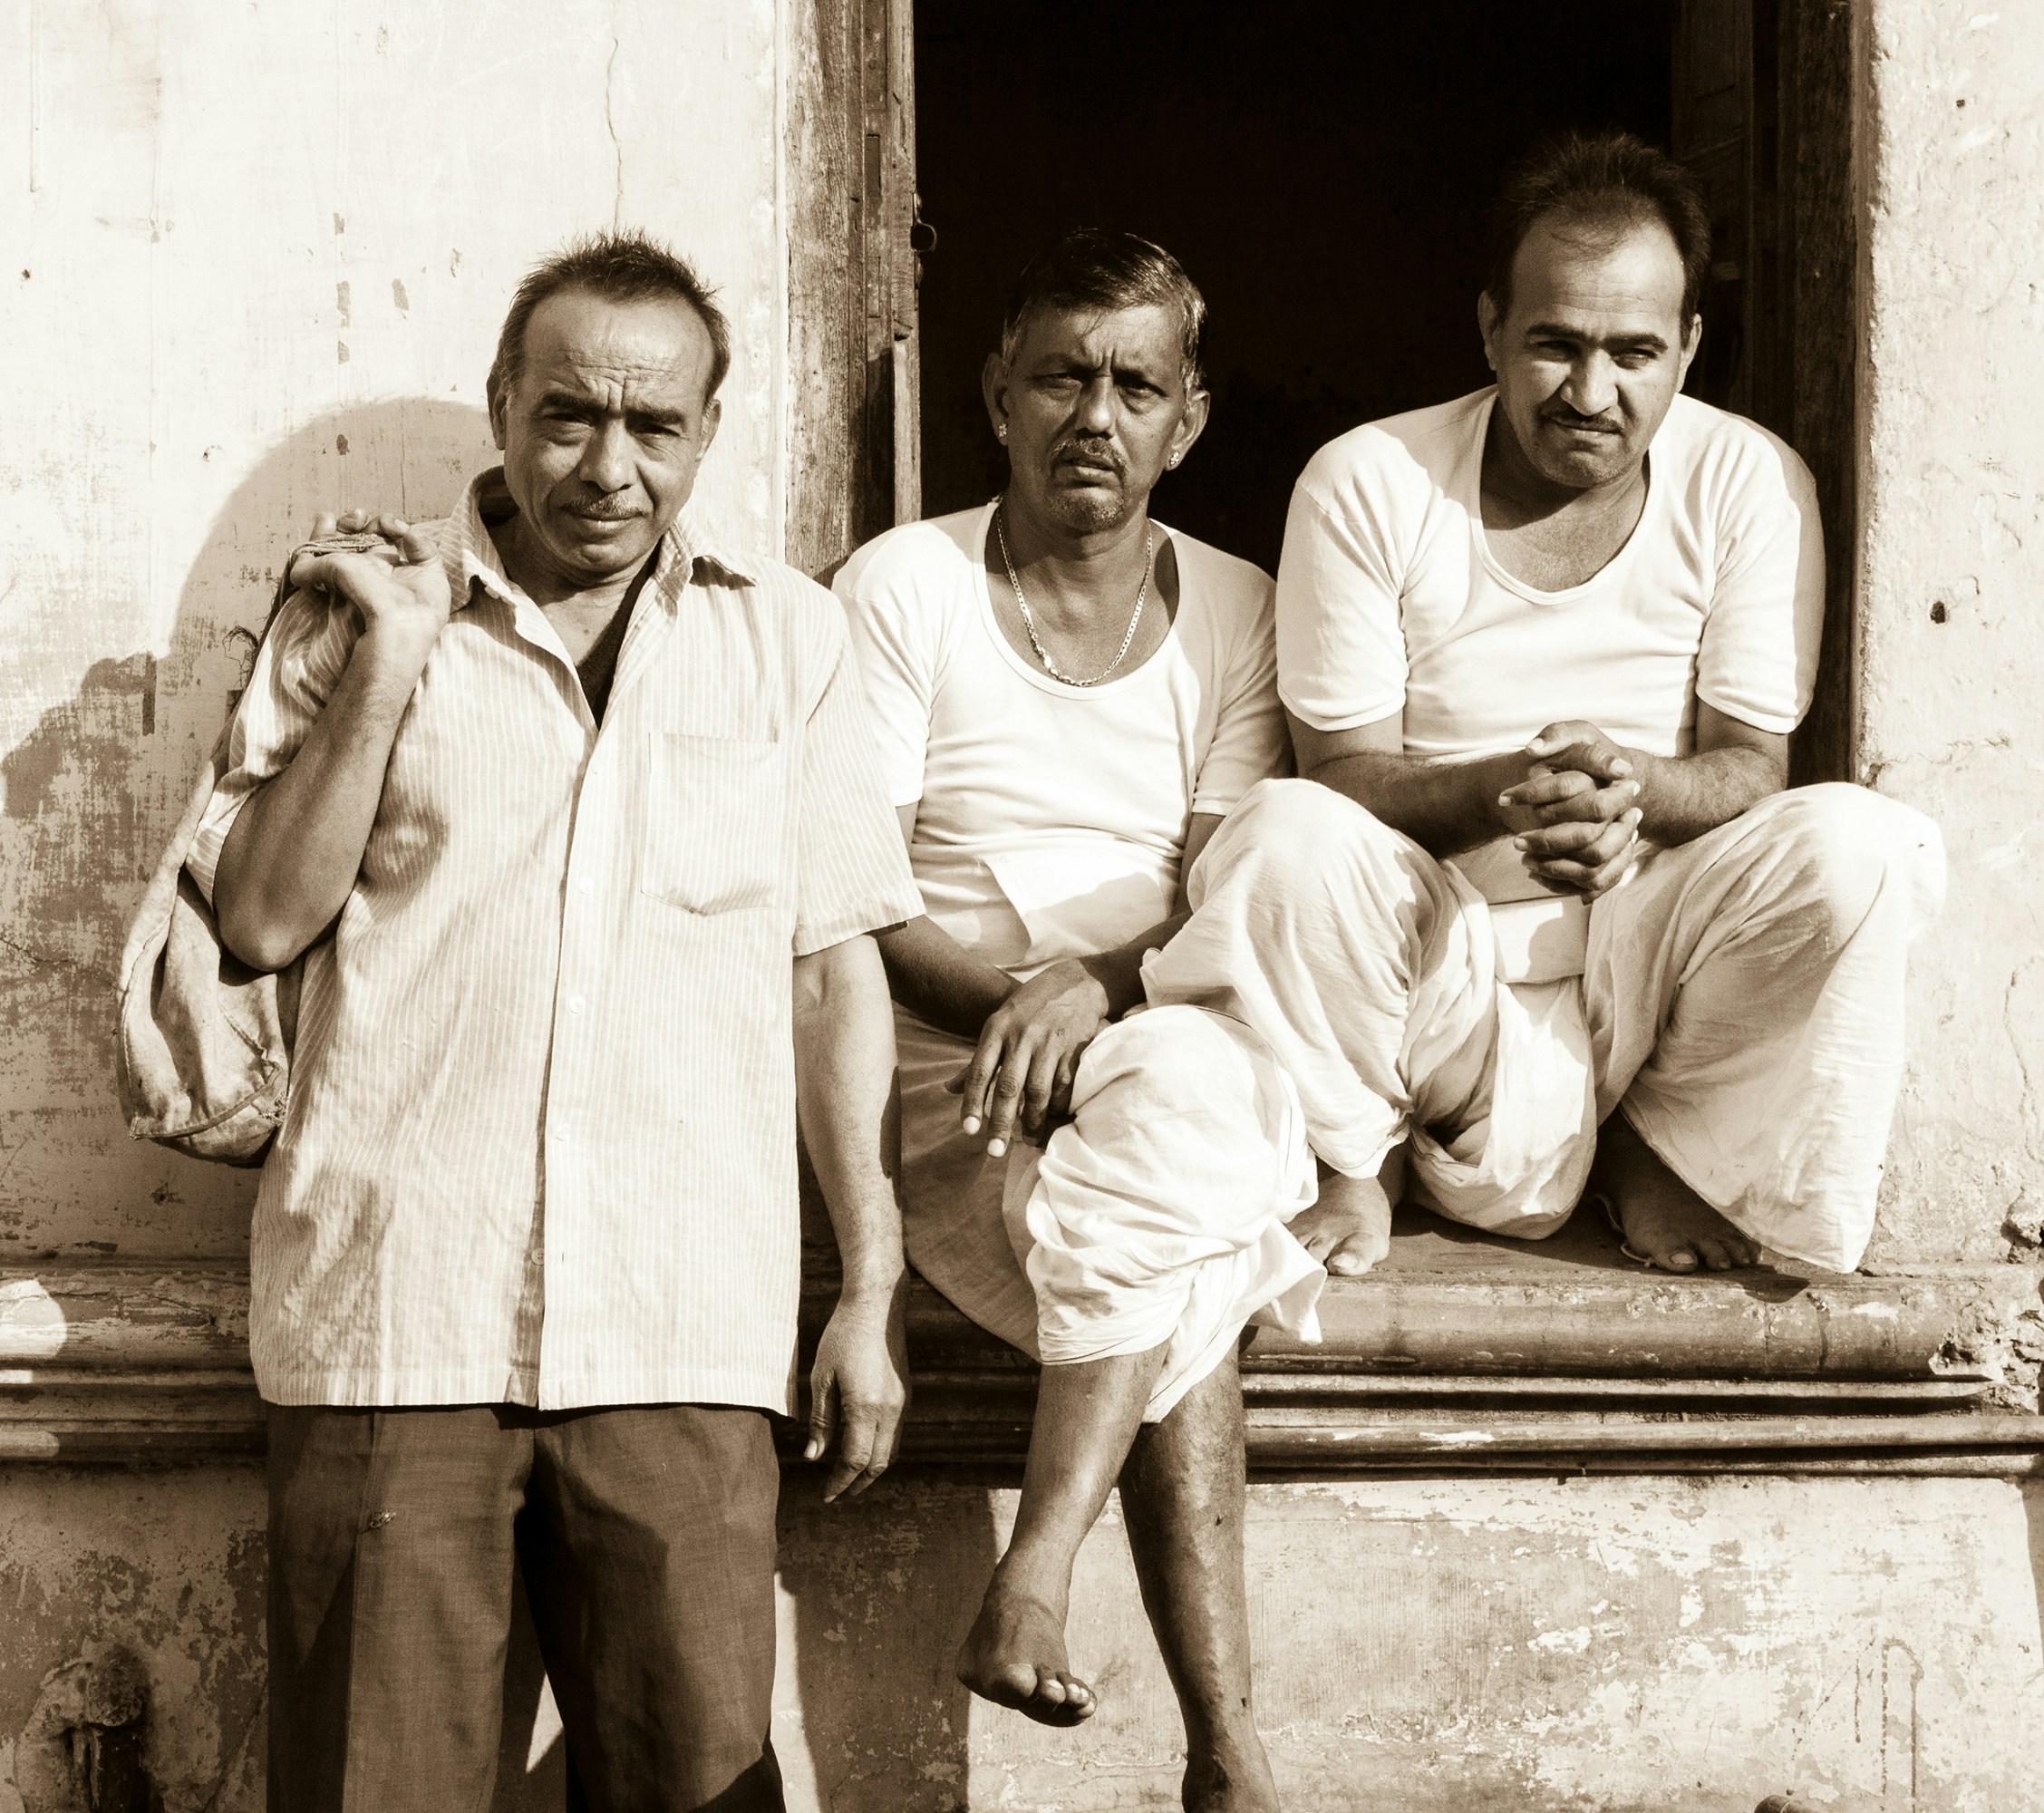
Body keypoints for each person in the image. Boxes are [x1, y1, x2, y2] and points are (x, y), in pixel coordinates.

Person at [208, 233, 922, 1809]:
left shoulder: (789, 641)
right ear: (502, 409)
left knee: (695, 1788)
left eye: (652, 427)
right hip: (397, 1321)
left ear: (709, 432)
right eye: (567, 418)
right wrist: (391, 666)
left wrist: (869, 1286)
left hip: (681, 1323)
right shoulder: (353, 615)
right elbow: (258, 920)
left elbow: (830, 976)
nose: (607, 467)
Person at [1143, 131, 1948, 1284]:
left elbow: (1750, 765)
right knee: (1283, 834)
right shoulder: (1370, 479)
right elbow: (1341, 775)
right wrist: (1503, 794)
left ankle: (1656, 1142)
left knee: (1873, 845)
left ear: (1689, 349)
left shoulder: (1751, 481)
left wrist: (1633, 789)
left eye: (1635, 352)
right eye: (1554, 346)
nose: (1591, 393)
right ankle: (1351, 1153)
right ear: (1488, 330)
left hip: (1655, 947)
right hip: (1438, 961)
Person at [836, 228, 1312, 1813]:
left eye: (1132, 384)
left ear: (1189, 417)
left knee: (1175, 1104)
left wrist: (1095, 993)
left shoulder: (1240, 608)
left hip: (1161, 1029)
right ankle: (1227, 1751)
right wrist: (1024, 1007)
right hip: (948, 1070)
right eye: (1059, 377)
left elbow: (1230, 880)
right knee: (1196, 1216)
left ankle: (1036, 1574)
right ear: (996, 395)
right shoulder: (906, 585)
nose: (1091, 417)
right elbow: (857, 894)